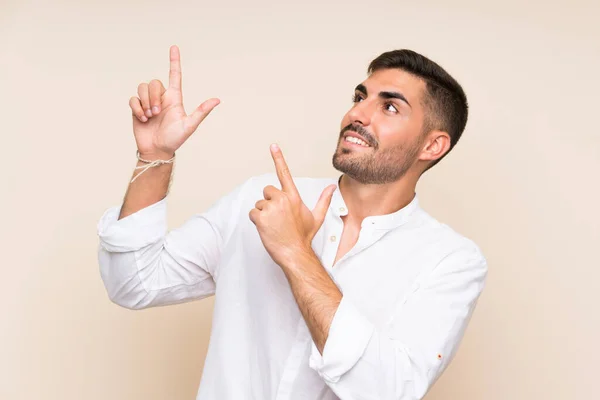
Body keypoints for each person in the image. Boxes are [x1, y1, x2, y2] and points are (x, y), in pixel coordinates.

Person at [97, 45, 488, 400]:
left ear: (432, 145)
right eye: (359, 97)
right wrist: (155, 155)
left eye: (389, 107)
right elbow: (134, 283)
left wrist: (295, 252)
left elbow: (386, 391)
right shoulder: (261, 198)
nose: (357, 114)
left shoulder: (451, 261)